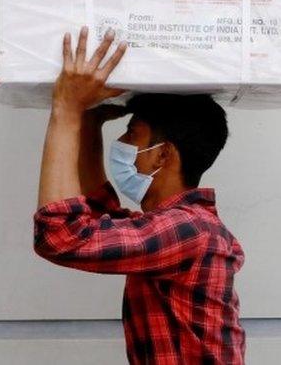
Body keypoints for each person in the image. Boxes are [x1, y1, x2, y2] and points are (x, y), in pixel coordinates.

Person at [32, 26, 246, 364]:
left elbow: (59, 235)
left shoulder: (190, 231)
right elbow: (96, 211)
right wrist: (89, 120)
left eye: (132, 134)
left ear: (163, 155)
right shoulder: (183, 229)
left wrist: (67, 110)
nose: (123, 143)